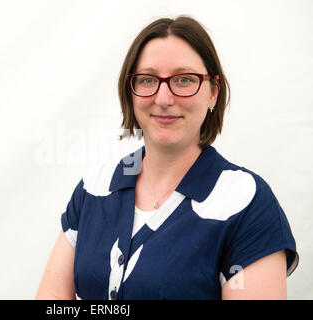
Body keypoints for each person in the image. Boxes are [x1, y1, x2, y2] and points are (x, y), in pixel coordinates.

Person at [36, 16, 298, 300]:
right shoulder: (94, 189)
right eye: (147, 79)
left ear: (213, 91)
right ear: (131, 91)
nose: (163, 98)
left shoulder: (246, 201)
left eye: (184, 79)